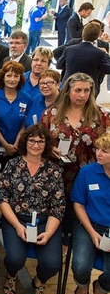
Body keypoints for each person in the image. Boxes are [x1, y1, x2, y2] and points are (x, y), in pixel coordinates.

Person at [40, 72, 110, 255]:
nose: (82, 95)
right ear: (68, 91)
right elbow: (39, 140)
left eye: (87, 91)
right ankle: (56, 244)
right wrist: (49, 149)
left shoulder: (102, 116)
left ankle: (74, 245)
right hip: (56, 175)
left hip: (90, 177)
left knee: (78, 212)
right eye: (78, 90)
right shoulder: (51, 114)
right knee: (56, 212)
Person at [0, 124, 65, 294]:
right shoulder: (12, 165)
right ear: (25, 142)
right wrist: (18, 227)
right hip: (16, 219)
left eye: (40, 141)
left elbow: (58, 206)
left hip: (45, 222)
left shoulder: (55, 170)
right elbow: (2, 198)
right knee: (15, 259)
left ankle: (39, 282)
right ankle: (12, 275)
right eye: (32, 140)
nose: (35, 145)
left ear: (47, 144)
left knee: (53, 264)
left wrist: (49, 233)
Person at [71, 132, 110, 294]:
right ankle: (82, 285)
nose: (98, 154)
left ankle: (100, 289)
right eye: (98, 149)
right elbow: (78, 204)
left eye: (105, 151)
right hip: (89, 225)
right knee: (80, 265)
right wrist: (92, 232)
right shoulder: (87, 172)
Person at [0, 61, 30, 184]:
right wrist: (5, 144)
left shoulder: (26, 98)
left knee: (12, 183)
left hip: (16, 148)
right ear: (3, 77)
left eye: (16, 76)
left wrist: (14, 145)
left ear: (20, 78)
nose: (12, 79)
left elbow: (24, 124)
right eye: (9, 75)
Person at [57, 22, 110, 96]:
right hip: (88, 90)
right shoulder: (100, 53)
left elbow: (58, 66)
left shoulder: (69, 49)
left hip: (68, 86)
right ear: (97, 35)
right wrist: (107, 54)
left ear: (83, 33)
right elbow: (108, 69)